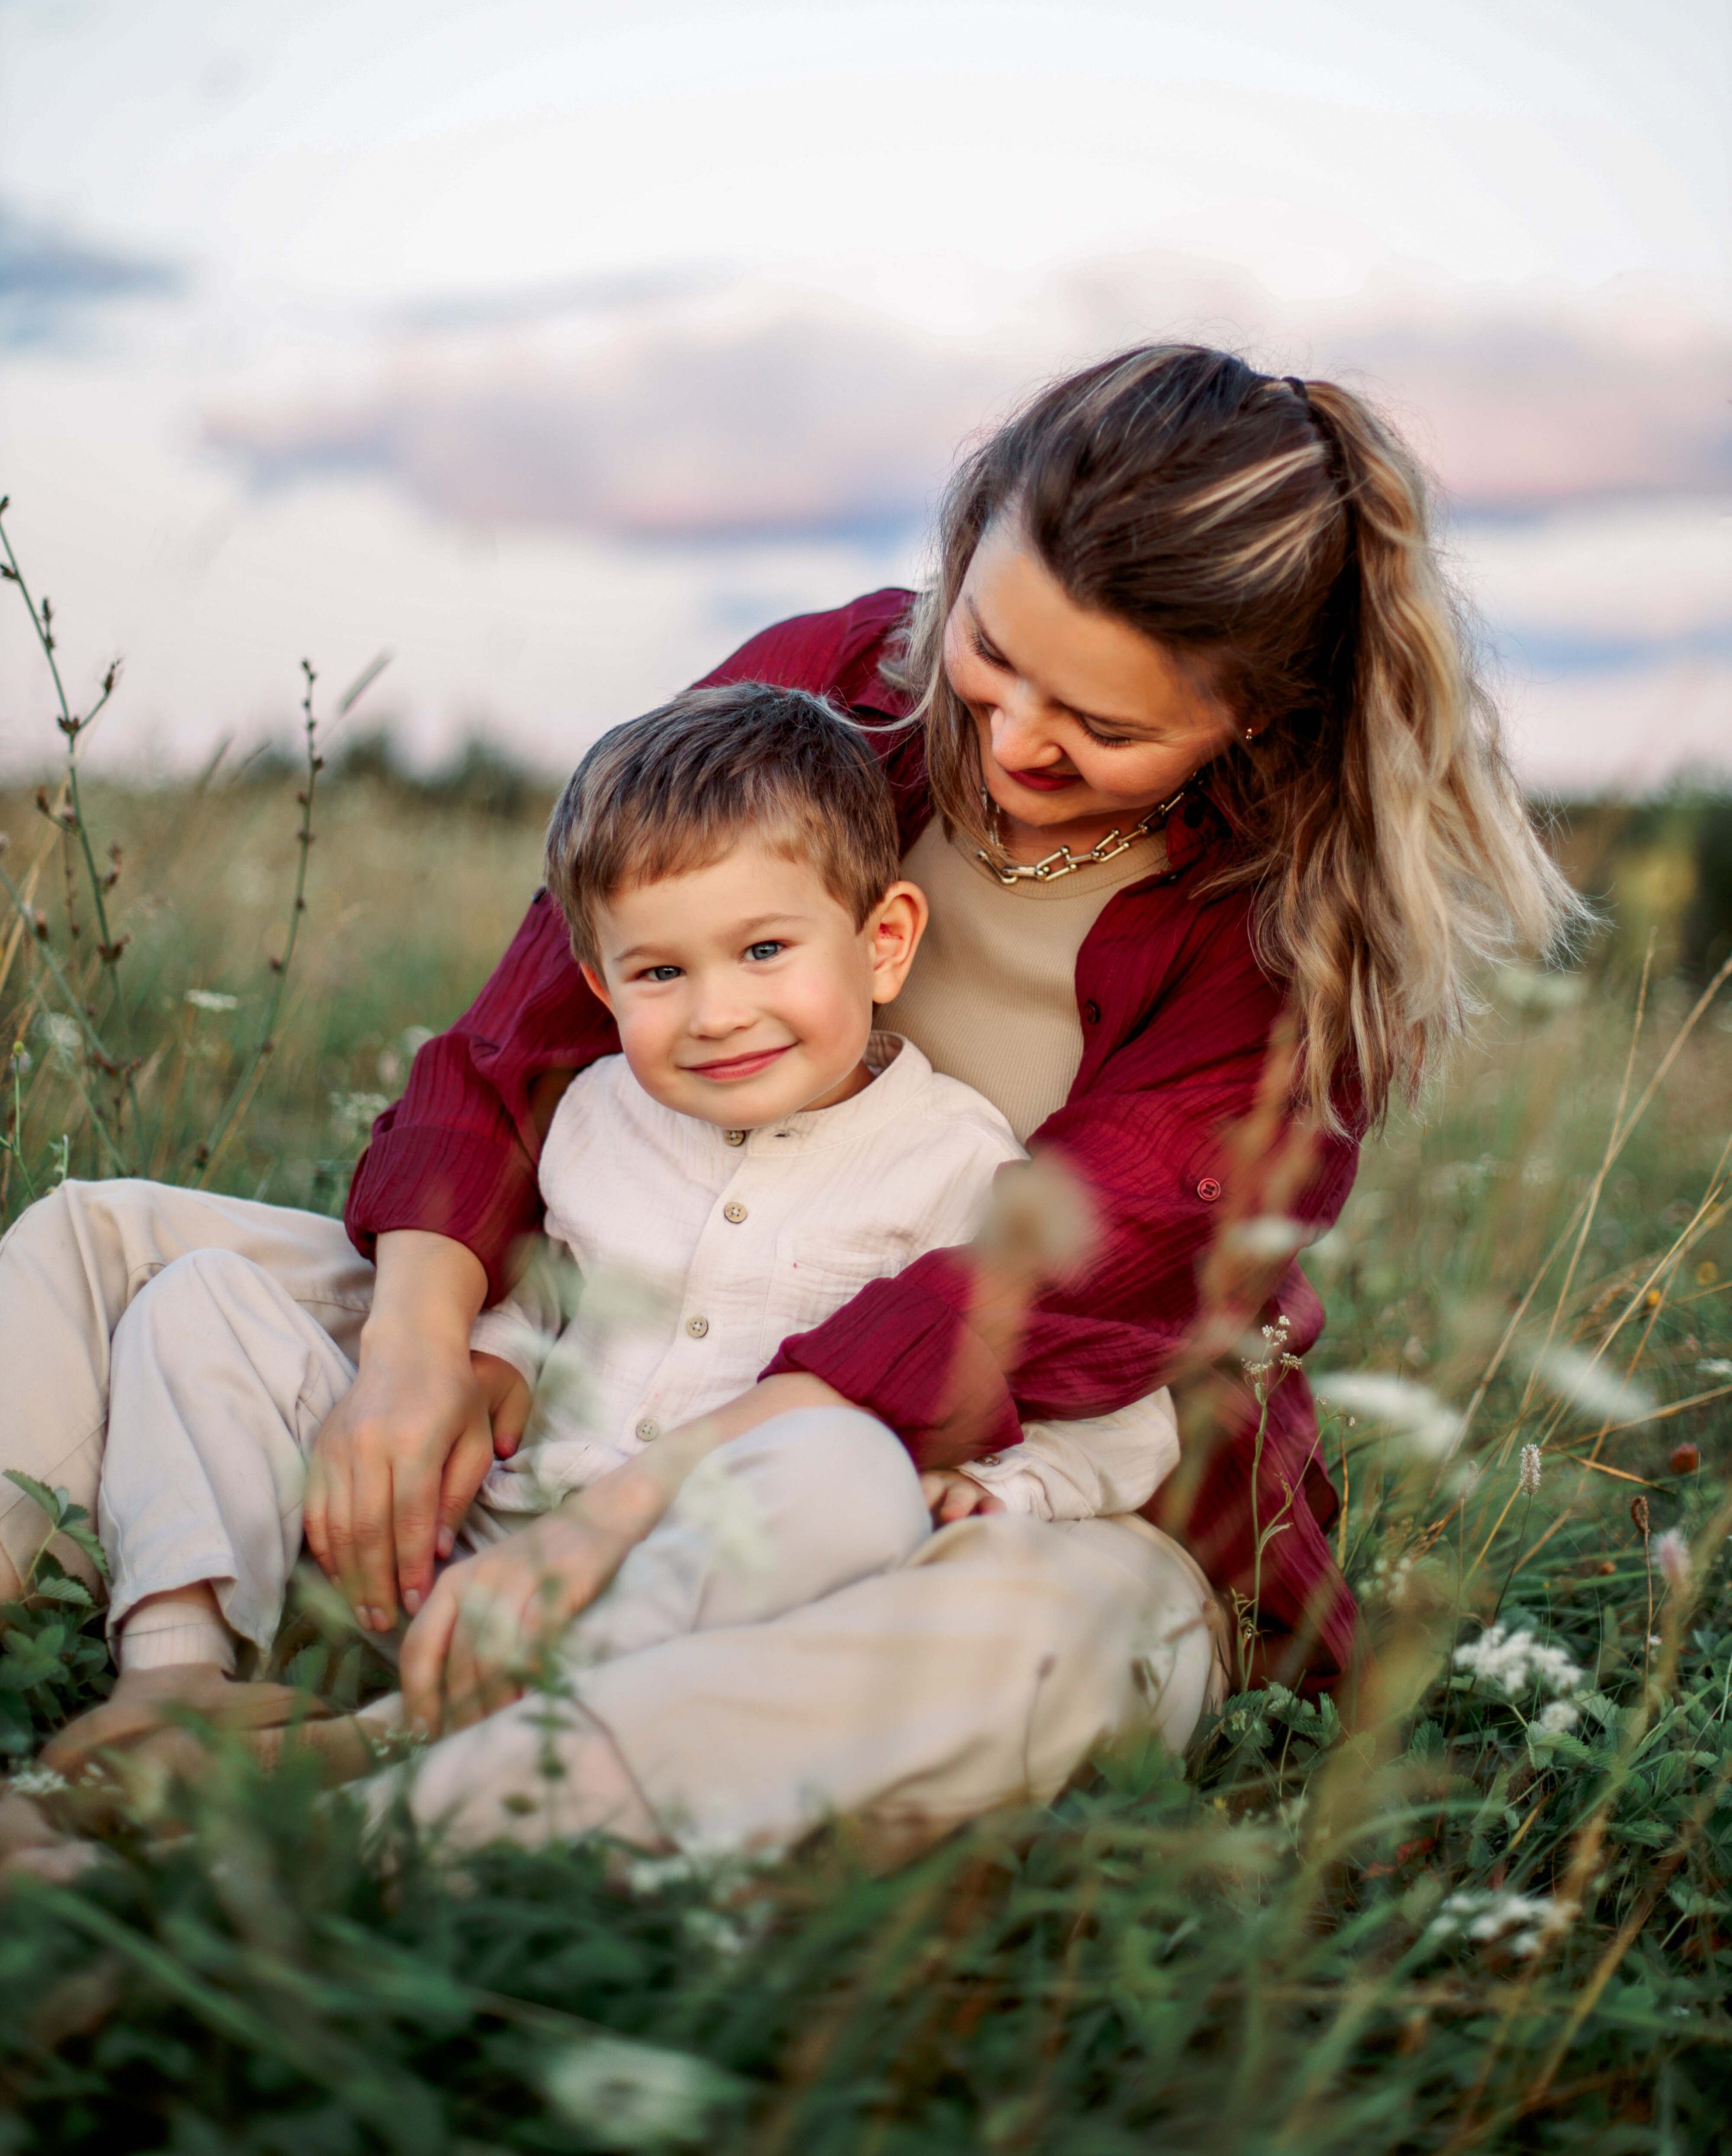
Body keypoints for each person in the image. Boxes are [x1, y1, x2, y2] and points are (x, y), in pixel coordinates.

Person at [0, 345, 1579, 1860]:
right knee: (110, 1249)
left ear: (1254, 715)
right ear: (967, 550)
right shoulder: (831, 683)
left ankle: (319, 1839)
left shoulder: (1287, 944)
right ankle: (175, 1661)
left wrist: (610, 1520)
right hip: (623, 1321)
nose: (1012, 738)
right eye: (995, 653)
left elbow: (1019, 1314)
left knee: (1006, 1648)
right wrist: (422, 1353)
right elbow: (529, 1035)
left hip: (996, 1478)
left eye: (1099, 727)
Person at [51, 685, 1186, 1780]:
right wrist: (492, 1345)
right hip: (496, 1544)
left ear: (884, 940)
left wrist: (1014, 1488)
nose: (716, 1012)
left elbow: (1116, 1410)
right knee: (203, 1296)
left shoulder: (961, 1163)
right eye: (660, 971)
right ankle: (176, 1668)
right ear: (599, 984)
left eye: (765, 951)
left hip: (700, 1587)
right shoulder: (598, 1114)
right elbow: (559, 1286)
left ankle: (408, 1742)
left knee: (843, 1478)